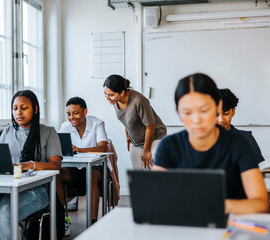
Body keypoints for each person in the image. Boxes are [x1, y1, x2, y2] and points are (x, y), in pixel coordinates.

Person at [154, 73, 269, 214]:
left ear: (218, 106)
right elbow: (158, 200)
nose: (196, 120)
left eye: (204, 110)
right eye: (187, 113)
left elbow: (261, 204)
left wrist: (220, 206)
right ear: (178, 111)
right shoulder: (168, 147)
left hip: (230, 225)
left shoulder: (240, 144)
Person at [0, 90, 64, 240]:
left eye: (24, 108)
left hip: (37, 190)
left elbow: (55, 165)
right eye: (15, 108)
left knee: (2, 216)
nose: (18, 112)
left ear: (35, 109)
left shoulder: (48, 132)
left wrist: (29, 165)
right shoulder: (8, 131)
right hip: (5, 187)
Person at [59, 97, 108, 225]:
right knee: (56, 174)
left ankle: (92, 222)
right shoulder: (65, 126)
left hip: (97, 167)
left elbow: (103, 147)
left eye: (75, 113)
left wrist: (80, 150)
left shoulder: (97, 124)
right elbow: (58, 148)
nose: (71, 117)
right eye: (69, 114)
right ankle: (59, 219)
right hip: (75, 168)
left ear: (85, 111)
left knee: (90, 176)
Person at [103, 74, 167, 169]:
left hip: (155, 137)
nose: (107, 98)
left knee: (152, 172)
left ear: (122, 93)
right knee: (138, 175)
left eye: (111, 95)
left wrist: (147, 150)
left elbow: (151, 126)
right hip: (136, 141)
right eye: (105, 93)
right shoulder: (115, 100)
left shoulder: (138, 101)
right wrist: (128, 136)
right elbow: (126, 118)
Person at [217, 88, 264, 164]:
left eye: (226, 114)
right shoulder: (202, 139)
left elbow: (260, 167)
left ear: (233, 111)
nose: (221, 120)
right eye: (216, 114)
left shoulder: (246, 138)